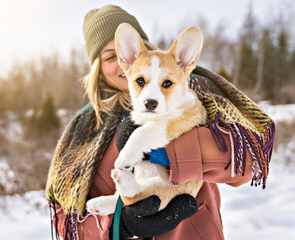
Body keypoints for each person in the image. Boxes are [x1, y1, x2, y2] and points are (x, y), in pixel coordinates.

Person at [46, 4, 275, 240]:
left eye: (130, 49)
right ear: (98, 67)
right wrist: (119, 226)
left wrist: (163, 150)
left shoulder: (198, 94)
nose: (122, 64)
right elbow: (65, 221)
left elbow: (249, 160)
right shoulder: (81, 131)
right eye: (110, 57)